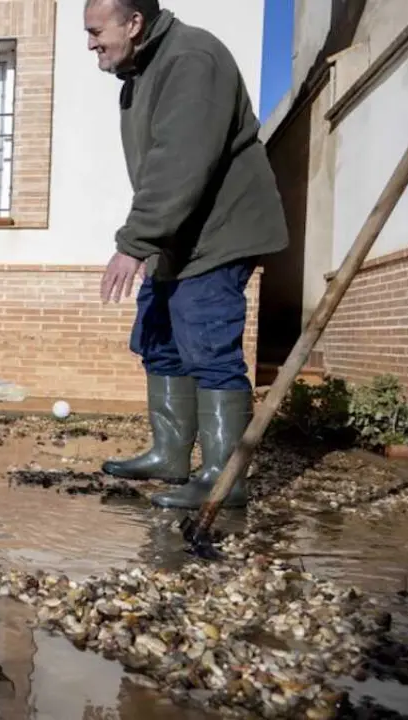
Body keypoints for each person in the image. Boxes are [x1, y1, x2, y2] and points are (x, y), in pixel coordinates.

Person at [85, 0, 289, 509]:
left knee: (207, 345)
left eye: (95, 31)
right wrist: (151, 240)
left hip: (217, 234)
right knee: (158, 338)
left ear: (134, 23)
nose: (90, 43)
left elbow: (180, 163)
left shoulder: (191, 59)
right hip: (177, 236)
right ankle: (170, 455)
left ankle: (224, 477)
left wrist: (134, 244)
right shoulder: (143, 70)